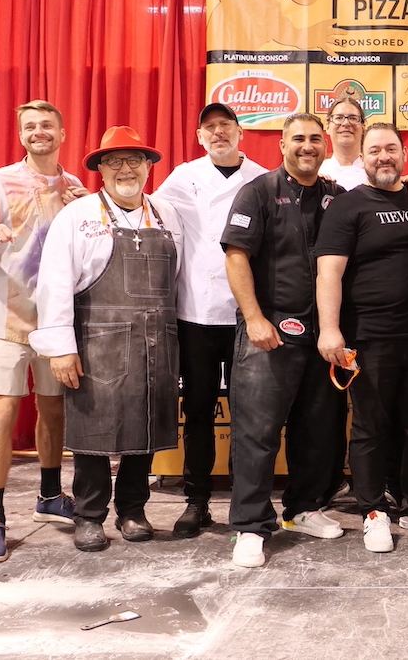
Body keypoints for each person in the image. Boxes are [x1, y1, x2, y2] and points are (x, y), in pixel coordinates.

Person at [32, 126, 184, 551]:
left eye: (134, 159)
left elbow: (179, 277)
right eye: (113, 161)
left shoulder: (167, 214)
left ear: (150, 166)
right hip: (97, 340)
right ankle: (90, 514)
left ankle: (133, 510)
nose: (125, 169)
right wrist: (61, 349)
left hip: (157, 339)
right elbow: (54, 285)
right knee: (94, 432)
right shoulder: (76, 218)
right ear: (99, 169)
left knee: (146, 426)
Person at [0, 99, 82, 564]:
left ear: (62, 133)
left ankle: (50, 494)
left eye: (47, 124)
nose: (38, 131)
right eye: (30, 125)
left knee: (53, 408)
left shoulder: (77, 188)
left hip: (57, 321)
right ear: (20, 134)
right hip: (7, 319)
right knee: (4, 409)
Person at [315, 122, 408, 552]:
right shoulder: (346, 206)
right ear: (362, 158)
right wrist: (330, 330)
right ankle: (373, 511)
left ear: (404, 155)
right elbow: (328, 272)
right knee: (371, 427)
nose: (383, 157)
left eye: (391, 149)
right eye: (375, 151)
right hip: (368, 337)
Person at [221, 112, 346, 569]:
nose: (307, 146)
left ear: (326, 145)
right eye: (298, 139)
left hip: (324, 336)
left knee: (318, 432)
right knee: (256, 434)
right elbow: (236, 257)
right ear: (282, 144)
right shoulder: (257, 191)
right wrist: (254, 318)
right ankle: (251, 526)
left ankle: (303, 509)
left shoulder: (339, 196)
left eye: (315, 139)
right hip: (269, 332)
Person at [151, 103, 268, 538]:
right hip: (196, 310)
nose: (218, 133)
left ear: (241, 133)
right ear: (200, 136)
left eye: (226, 126)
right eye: (210, 128)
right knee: (198, 410)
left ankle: (246, 503)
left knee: (248, 412)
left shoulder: (262, 177)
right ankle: (196, 500)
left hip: (246, 313)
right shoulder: (183, 176)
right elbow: (145, 211)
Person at [318, 97, 369, 192]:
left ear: (363, 127)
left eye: (353, 118)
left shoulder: (375, 172)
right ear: (327, 126)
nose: (346, 123)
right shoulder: (316, 173)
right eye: (339, 118)